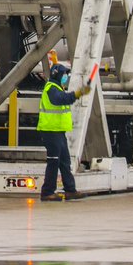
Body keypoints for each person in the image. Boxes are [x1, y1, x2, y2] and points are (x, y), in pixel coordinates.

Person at [38, 62, 91, 202]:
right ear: (58, 75)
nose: (66, 77)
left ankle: (70, 190)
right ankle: (47, 192)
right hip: (50, 131)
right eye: (64, 74)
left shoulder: (58, 88)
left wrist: (76, 94)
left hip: (58, 131)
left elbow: (63, 99)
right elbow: (60, 100)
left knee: (64, 161)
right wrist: (77, 94)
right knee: (54, 161)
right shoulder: (51, 88)